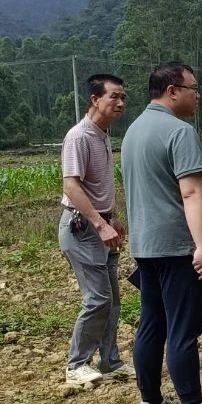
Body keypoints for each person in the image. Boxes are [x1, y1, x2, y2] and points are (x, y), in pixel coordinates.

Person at [121, 62, 202, 404]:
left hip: (144, 245)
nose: (197, 94)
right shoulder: (179, 131)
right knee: (183, 328)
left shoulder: (133, 131)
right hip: (175, 246)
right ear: (172, 91)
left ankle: (151, 402)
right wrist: (201, 246)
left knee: (152, 324)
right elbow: (190, 192)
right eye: (192, 88)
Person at [59, 73, 130, 387]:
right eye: (114, 96)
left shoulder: (102, 135)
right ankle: (77, 365)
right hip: (83, 229)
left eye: (123, 97)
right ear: (94, 99)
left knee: (111, 300)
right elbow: (71, 186)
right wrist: (100, 224)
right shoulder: (79, 136)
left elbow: (96, 187)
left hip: (102, 226)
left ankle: (110, 361)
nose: (120, 103)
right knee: (98, 298)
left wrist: (112, 218)